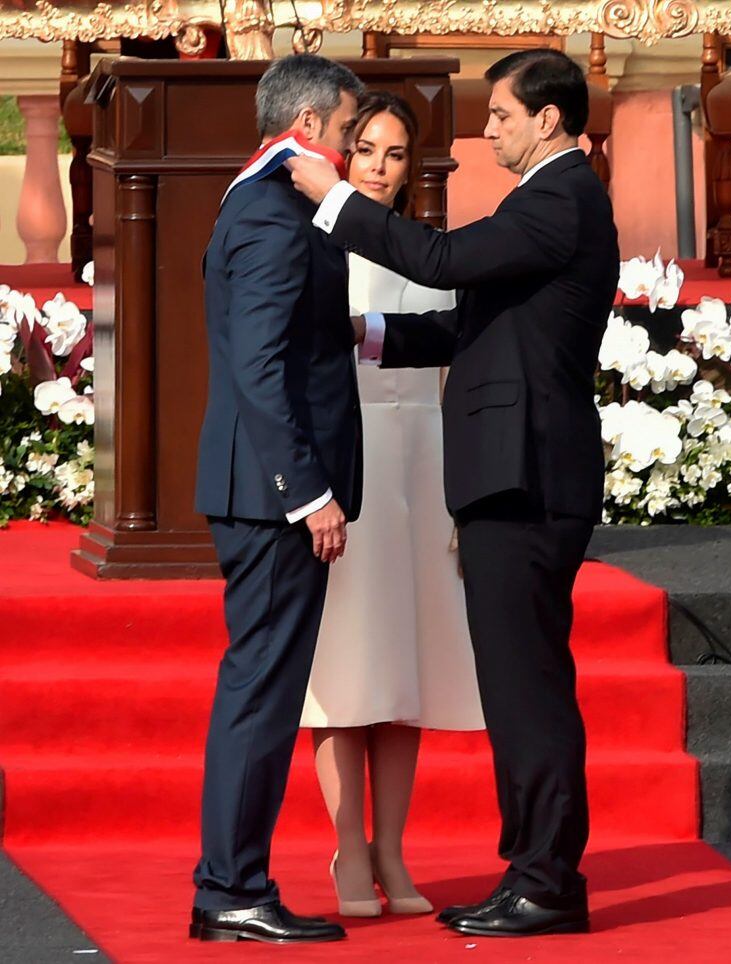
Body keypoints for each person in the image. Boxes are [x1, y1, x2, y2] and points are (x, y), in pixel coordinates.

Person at [289, 49, 620, 938]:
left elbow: (437, 259)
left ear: (548, 120)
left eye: (503, 115)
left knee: (529, 688)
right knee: (521, 686)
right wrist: (362, 334)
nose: (489, 130)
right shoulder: (550, 198)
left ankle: (546, 881)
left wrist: (332, 196)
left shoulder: (558, 197)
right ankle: (534, 871)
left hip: (527, 475)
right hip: (512, 474)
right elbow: (467, 324)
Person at [190, 54, 365, 945]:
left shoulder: (256, 203)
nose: (350, 150)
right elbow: (260, 371)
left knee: (260, 687)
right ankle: (232, 889)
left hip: (261, 489)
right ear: (306, 130)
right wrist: (310, 494)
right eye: (344, 134)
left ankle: (233, 882)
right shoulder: (270, 214)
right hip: (271, 496)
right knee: (261, 693)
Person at [299, 91, 484, 919]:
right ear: (343, 156)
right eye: (366, 148)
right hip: (348, 463)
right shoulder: (313, 244)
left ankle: (392, 851)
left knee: (408, 667)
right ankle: (345, 849)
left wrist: (455, 498)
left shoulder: (433, 251)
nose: (379, 165)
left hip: (423, 464)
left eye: (395, 153)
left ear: (415, 166)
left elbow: (453, 364)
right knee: (349, 665)